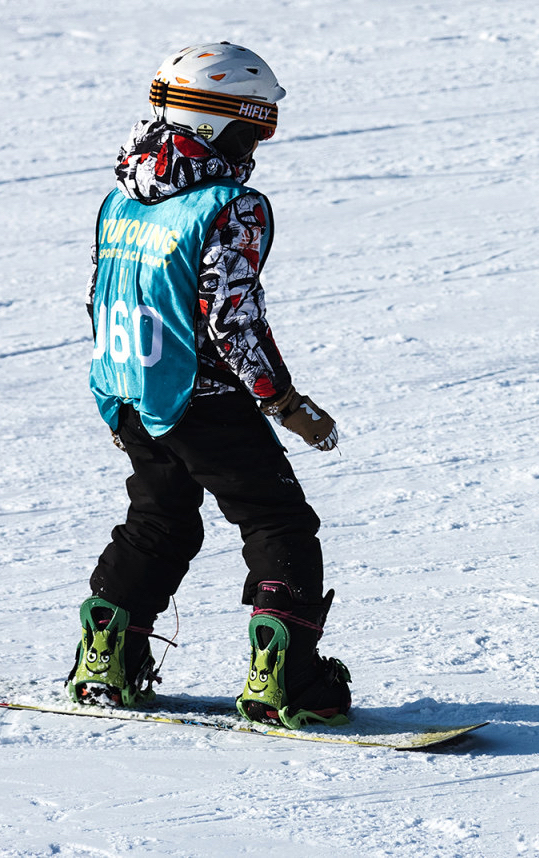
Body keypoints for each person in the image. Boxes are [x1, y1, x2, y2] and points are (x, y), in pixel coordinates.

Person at [69, 42, 352, 728]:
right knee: (278, 522)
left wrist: (119, 398)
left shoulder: (122, 196)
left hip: (131, 388)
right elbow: (232, 319)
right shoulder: (231, 206)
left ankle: (106, 662)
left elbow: (101, 295)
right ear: (213, 123)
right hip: (201, 398)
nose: (258, 142)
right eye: (253, 126)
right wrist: (283, 403)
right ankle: (286, 682)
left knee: (159, 521)